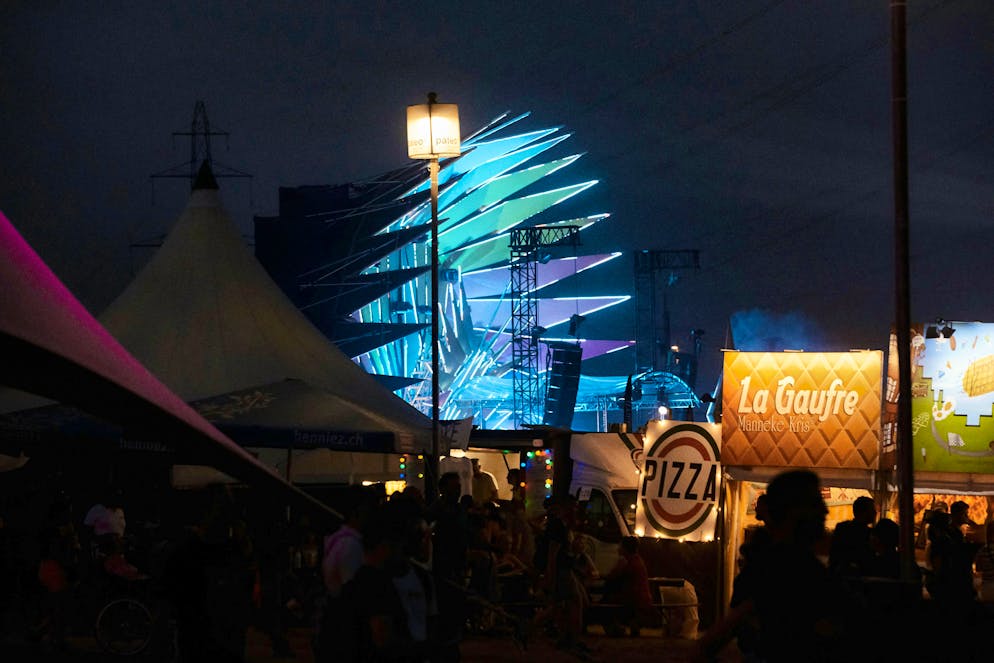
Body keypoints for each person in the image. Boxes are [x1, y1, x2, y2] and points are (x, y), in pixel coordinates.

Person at [693, 470, 869, 663]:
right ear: (794, 511)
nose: (824, 511)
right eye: (816, 503)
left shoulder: (798, 566)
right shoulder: (779, 570)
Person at [601, 536, 655, 637]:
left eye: (620, 546)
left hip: (633, 598)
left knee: (604, 602)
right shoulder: (638, 560)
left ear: (625, 548)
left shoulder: (625, 561)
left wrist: (599, 575)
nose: (618, 548)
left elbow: (612, 576)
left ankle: (615, 629)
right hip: (642, 598)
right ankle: (627, 625)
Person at [828, 495, 877, 578]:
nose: (875, 512)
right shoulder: (869, 534)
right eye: (872, 510)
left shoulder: (842, 528)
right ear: (864, 512)